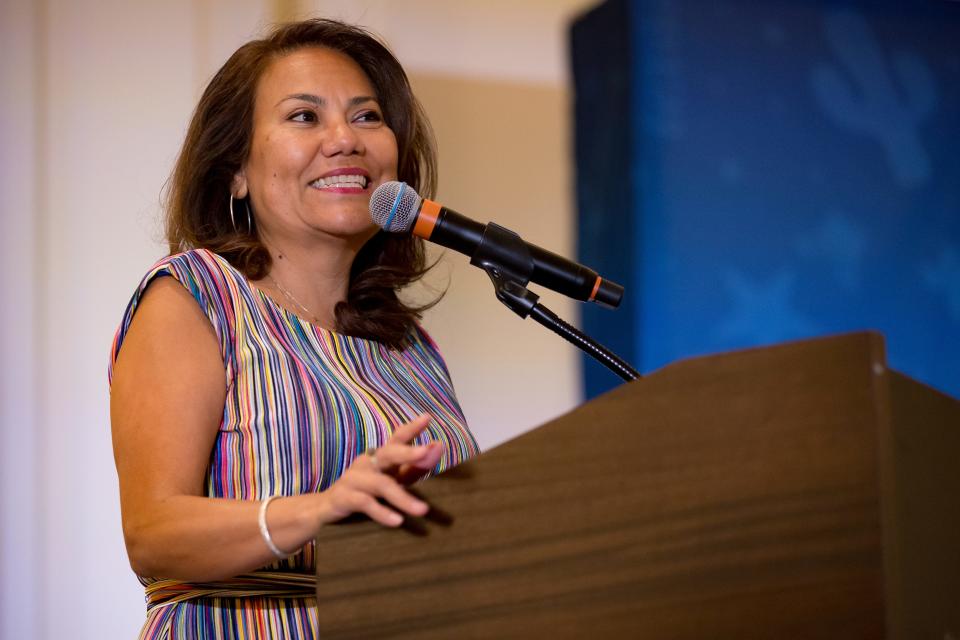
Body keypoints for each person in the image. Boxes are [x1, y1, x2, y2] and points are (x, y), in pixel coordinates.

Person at [108, 18, 479, 638]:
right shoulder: (196, 295)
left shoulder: (407, 344)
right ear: (236, 171)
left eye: (367, 117)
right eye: (305, 117)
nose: (345, 140)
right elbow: (153, 533)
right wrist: (325, 509)